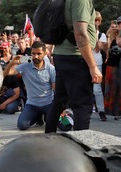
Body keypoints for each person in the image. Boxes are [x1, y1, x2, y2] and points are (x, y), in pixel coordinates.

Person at [45, 0, 102, 133]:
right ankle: (81, 147)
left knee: (59, 100)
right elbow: (80, 34)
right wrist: (93, 66)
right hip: (75, 57)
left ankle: (49, 137)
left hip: (61, 54)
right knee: (82, 105)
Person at [5, 41, 55, 130]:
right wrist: (12, 62)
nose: (35, 56)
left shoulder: (50, 68)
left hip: (48, 103)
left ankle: (46, 117)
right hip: (32, 104)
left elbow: (56, 89)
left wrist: (60, 108)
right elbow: (7, 73)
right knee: (21, 125)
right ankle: (37, 117)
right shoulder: (26, 64)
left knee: (62, 125)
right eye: (33, 53)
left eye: (39, 54)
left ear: (44, 54)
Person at [104, 16, 121, 116]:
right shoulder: (112, 36)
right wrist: (107, 35)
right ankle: (110, 111)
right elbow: (105, 50)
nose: (120, 25)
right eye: (118, 23)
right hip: (111, 65)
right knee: (110, 88)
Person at [93, 11, 107, 121]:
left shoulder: (102, 35)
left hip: (97, 63)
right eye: (93, 20)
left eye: (96, 20)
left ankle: (101, 110)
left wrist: (94, 33)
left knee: (97, 89)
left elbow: (98, 48)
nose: (94, 22)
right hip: (84, 62)